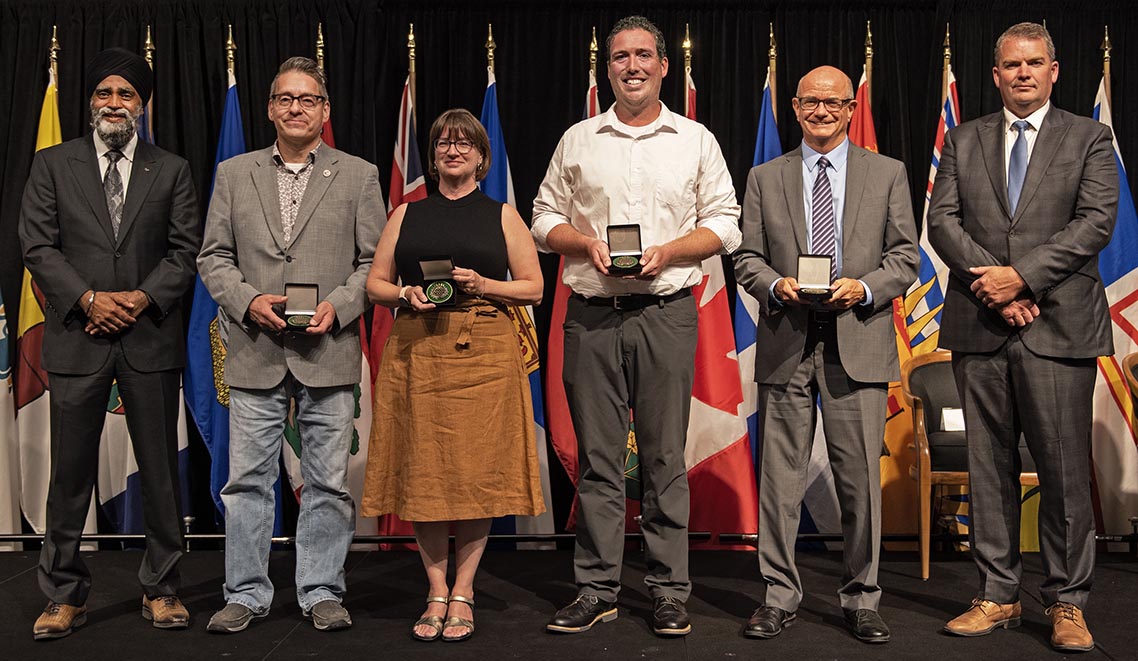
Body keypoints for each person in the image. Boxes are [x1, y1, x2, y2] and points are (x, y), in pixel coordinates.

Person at [532, 15, 741, 638]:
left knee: (663, 458)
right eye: (621, 56)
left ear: (663, 66)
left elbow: (725, 222)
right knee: (598, 462)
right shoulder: (578, 139)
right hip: (591, 315)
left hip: (665, 314)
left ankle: (669, 591)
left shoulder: (695, 139)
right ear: (608, 69)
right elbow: (542, 218)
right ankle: (597, 589)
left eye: (643, 55)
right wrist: (583, 243)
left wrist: (670, 252)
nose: (632, 66)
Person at [928, 22, 1118, 653]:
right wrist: (995, 287)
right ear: (996, 74)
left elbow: (1095, 222)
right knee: (988, 468)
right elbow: (942, 221)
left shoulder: (1089, 137)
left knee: (1062, 470)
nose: (1024, 73)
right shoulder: (963, 138)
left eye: (1035, 63)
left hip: (1059, 325)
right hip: (980, 324)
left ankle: (1067, 602)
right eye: (1012, 65)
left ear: (1054, 71)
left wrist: (1023, 278)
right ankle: (997, 594)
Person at [19, 47, 201, 640]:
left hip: (149, 340)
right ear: (90, 101)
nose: (114, 103)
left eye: (126, 94)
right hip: (79, 339)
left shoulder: (170, 169)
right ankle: (63, 594)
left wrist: (140, 299)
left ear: (142, 105)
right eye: (105, 93)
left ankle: (163, 588)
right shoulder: (53, 164)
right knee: (69, 476)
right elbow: (37, 245)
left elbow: (185, 251)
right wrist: (90, 300)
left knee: (160, 474)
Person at [733, 65, 918, 644]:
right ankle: (778, 596)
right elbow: (746, 258)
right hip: (786, 341)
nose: (821, 111)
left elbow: (905, 257)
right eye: (811, 102)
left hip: (857, 340)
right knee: (778, 483)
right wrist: (773, 285)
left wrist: (864, 288)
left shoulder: (887, 173)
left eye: (833, 103)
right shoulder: (764, 177)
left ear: (850, 109)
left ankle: (862, 598)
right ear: (794, 107)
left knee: (859, 481)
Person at [197, 56, 383, 634]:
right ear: (270, 109)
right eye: (285, 98)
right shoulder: (234, 172)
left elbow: (374, 262)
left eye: (307, 99)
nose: (295, 107)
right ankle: (245, 592)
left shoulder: (359, 175)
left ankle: (321, 589)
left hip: (329, 353)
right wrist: (247, 300)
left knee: (328, 483)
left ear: (325, 110)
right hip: (255, 350)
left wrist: (341, 306)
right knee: (247, 483)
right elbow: (213, 257)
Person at [360, 108, 546, 643]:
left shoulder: (503, 215)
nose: (453, 150)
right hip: (417, 351)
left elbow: (534, 288)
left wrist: (484, 284)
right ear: (434, 155)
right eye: (443, 142)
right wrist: (404, 293)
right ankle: (435, 590)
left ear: (482, 157)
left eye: (464, 143)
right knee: (426, 471)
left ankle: (463, 590)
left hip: (485, 353)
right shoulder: (406, 214)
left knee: (475, 473)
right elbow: (374, 284)